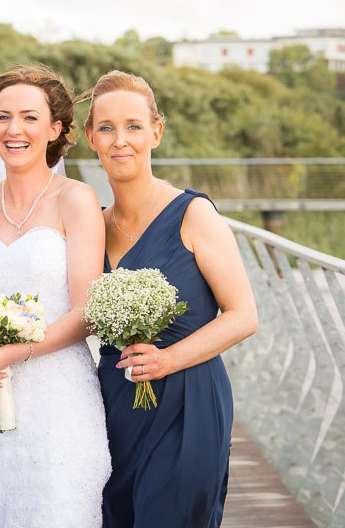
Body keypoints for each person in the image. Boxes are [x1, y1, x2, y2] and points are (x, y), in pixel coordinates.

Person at [83, 70, 258, 527]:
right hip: (113, 401)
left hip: (188, 400)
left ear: (155, 132)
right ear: (91, 138)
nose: (121, 140)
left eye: (133, 126)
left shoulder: (194, 214)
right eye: (107, 128)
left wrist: (167, 360)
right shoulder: (91, 228)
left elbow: (243, 316)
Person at [0, 66, 111, 527]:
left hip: (59, 396)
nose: (13, 130)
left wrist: (14, 351)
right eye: (2, 117)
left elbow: (88, 312)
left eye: (28, 117)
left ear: (55, 128)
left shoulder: (76, 199)